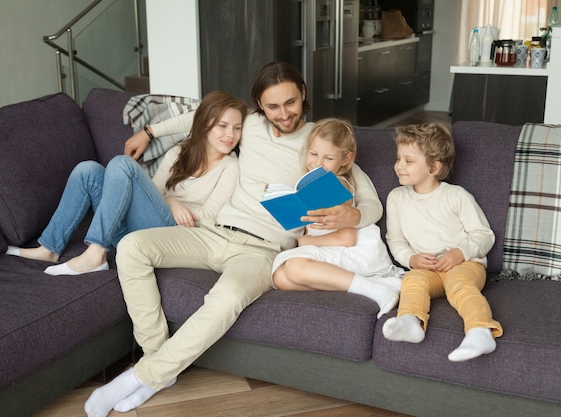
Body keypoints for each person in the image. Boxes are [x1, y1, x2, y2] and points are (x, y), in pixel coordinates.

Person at [84, 61, 384, 417]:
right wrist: (149, 132)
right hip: (213, 233)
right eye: (273, 106)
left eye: (290, 103)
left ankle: (139, 377)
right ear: (259, 105)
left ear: (303, 95)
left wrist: (353, 215)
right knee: (132, 247)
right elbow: (200, 117)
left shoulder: (321, 140)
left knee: (225, 299)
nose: (283, 114)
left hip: (261, 251)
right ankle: (157, 363)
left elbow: (370, 200)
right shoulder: (252, 125)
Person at [6, 91, 246, 276]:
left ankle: (96, 254)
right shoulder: (180, 152)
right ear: (204, 125)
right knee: (87, 170)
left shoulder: (231, 167)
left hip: (174, 235)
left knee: (123, 165)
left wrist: (172, 205)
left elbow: (207, 218)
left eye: (237, 128)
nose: (230, 135)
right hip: (138, 227)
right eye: (222, 126)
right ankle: (50, 248)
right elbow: (154, 191)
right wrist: (172, 201)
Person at [382, 122, 503, 362]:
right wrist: (411, 259)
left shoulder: (456, 196)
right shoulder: (396, 198)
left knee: (459, 285)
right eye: (398, 159)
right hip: (428, 269)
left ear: (434, 167)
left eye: (408, 161)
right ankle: (411, 322)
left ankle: (480, 331)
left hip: (465, 264)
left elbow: (484, 234)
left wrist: (460, 253)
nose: (399, 166)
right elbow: (395, 239)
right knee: (412, 280)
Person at [271, 118, 403, 317]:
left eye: (328, 158)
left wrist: (306, 240)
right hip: (329, 250)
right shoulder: (314, 185)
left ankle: (377, 290)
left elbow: (347, 239)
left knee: (295, 268)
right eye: (313, 154)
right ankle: (363, 283)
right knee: (281, 278)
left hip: (352, 249)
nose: (317, 163)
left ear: (345, 159)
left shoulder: (336, 186)